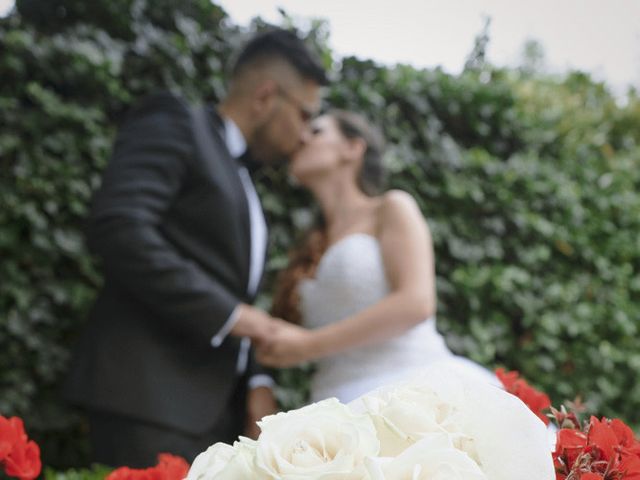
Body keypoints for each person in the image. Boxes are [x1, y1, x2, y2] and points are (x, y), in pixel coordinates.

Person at [63, 29, 329, 466]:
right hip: (150, 398)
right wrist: (235, 317)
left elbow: (239, 299)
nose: (305, 134)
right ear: (265, 96)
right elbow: (121, 226)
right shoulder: (176, 122)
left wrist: (257, 384)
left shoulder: (246, 181)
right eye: (304, 114)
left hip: (216, 414)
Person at [260, 110, 498, 403]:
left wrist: (307, 345)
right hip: (331, 402)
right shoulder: (308, 245)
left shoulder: (391, 208)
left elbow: (416, 303)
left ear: (352, 148)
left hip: (413, 390)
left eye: (317, 131)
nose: (301, 137)